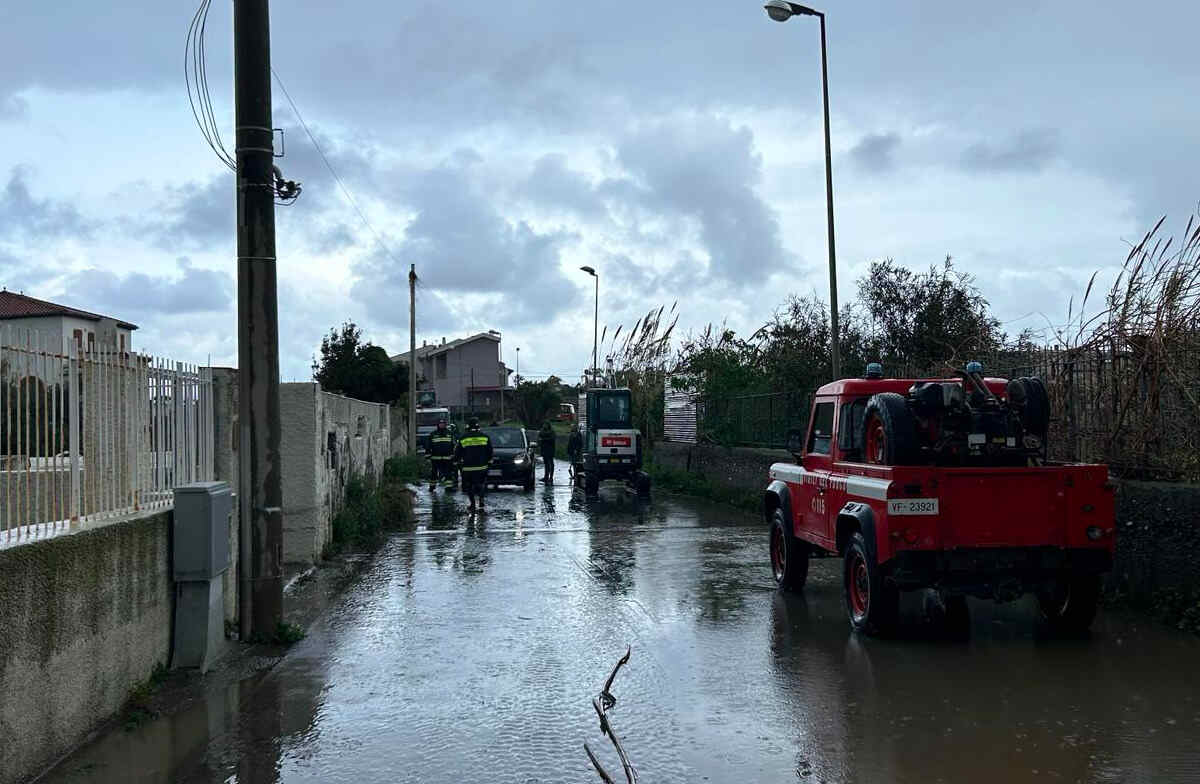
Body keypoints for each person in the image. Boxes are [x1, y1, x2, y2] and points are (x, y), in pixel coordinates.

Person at [455, 418, 493, 512]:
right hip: (482, 467)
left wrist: (456, 462)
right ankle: (481, 500)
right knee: (481, 484)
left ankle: (472, 504)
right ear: (478, 426)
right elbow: (490, 451)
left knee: (469, 486)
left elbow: (458, 452)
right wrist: (489, 462)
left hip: (468, 468)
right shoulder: (485, 437)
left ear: (468, 426)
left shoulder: (463, 438)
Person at [427, 418, 455, 491]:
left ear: (445, 425)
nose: (442, 425)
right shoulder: (433, 434)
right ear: (438, 425)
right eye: (440, 424)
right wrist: (427, 455)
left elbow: (453, 445)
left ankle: (448, 487)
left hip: (447, 458)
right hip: (436, 458)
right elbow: (428, 445)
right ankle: (432, 487)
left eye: (443, 424)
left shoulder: (450, 433)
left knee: (448, 473)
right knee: (434, 473)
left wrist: (453, 454)